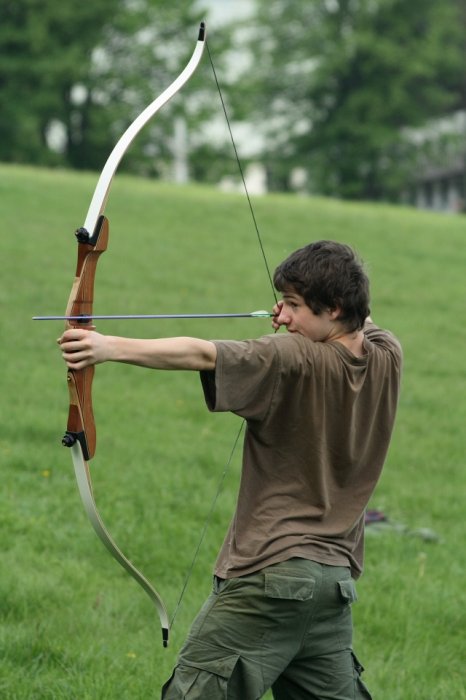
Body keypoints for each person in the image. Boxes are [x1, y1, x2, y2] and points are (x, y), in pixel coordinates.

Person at [58, 240, 402, 700]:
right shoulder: (387, 356)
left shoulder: (291, 359)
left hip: (269, 578)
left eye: (294, 306)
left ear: (335, 308)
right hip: (333, 587)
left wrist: (104, 347)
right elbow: (364, 320)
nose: (283, 317)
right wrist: (306, 310)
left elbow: (203, 353)